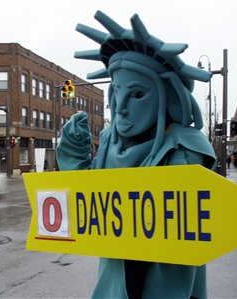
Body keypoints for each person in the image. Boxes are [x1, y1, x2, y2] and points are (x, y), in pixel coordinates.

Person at [56, 11, 216, 299]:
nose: (121, 107)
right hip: (116, 277)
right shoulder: (108, 140)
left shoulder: (186, 146)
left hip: (164, 282)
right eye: (116, 92)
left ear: (166, 96)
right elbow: (89, 204)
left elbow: (179, 226)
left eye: (138, 94)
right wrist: (72, 151)